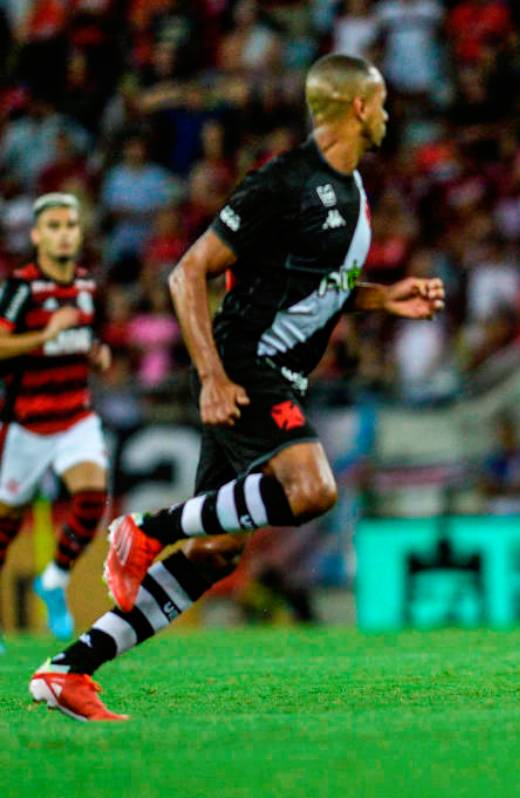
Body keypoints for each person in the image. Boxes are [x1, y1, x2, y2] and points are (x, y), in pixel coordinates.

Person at [29, 53, 446, 721]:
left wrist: (385, 300)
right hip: (245, 363)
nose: (391, 112)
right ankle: (144, 528)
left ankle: (68, 670)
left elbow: (319, 292)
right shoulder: (280, 184)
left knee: (218, 549)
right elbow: (186, 274)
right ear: (359, 107)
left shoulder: (354, 192)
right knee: (311, 489)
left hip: (275, 372)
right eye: (384, 100)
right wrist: (215, 377)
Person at [0, 193, 112, 645]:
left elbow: (85, 340)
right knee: (7, 522)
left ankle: (56, 578)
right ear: (37, 236)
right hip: (27, 423)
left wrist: (97, 353)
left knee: (92, 498)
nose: (64, 233)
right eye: (54, 226)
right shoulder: (22, 287)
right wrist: (45, 334)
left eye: (70, 225)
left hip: (76, 415)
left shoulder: (86, 286)